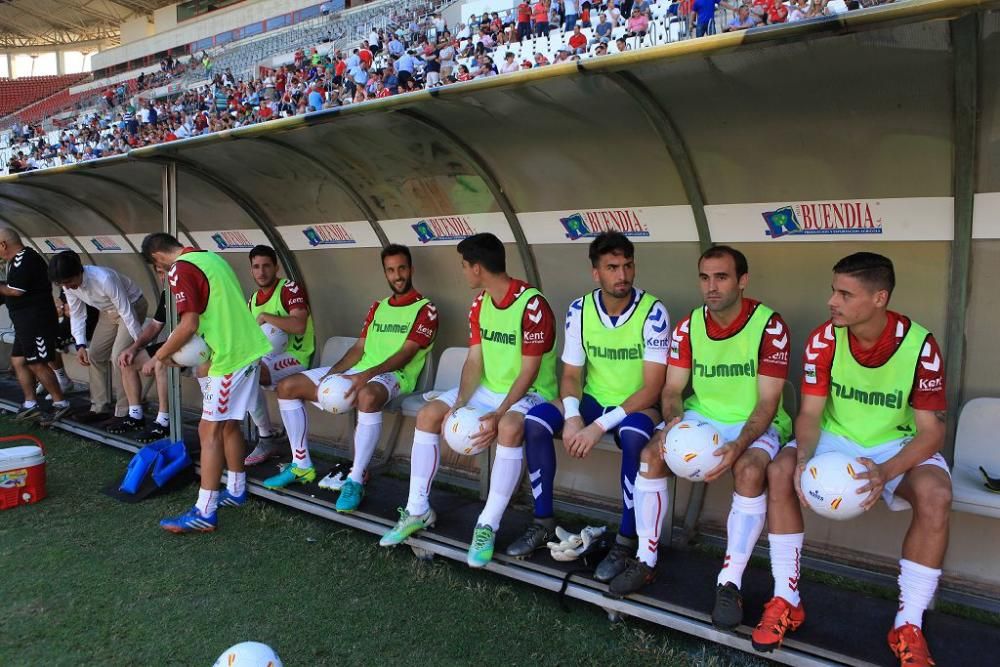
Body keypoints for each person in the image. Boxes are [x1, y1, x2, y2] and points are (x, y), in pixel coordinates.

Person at [751, 253, 950, 666]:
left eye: (845, 293)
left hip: (894, 445)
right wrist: (804, 456)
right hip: (836, 439)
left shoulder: (919, 345)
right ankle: (786, 599)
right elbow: (809, 414)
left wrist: (886, 472)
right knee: (782, 469)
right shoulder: (826, 338)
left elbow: (931, 432)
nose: (832, 301)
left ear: (880, 298)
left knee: (936, 495)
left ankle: (907, 624)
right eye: (833, 290)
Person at [379, 233, 557, 568]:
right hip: (489, 387)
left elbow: (530, 371)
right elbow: (475, 360)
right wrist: (459, 401)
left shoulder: (533, 305)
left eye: (464, 266)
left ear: (477, 267)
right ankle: (417, 510)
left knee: (507, 428)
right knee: (430, 414)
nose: (462, 273)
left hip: (531, 392)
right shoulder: (479, 303)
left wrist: (500, 412)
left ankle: (487, 524)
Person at [508, 232, 669, 597]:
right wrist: (572, 415)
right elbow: (570, 375)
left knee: (632, 437)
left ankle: (626, 542)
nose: (622, 275)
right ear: (596, 272)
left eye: (627, 265)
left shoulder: (653, 311)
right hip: (595, 400)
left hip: (638, 404)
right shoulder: (580, 309)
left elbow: (653, 386)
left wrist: (597, 426)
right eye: (612, 267)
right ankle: (544, 522)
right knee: (534, 422)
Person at [641, 246, 792, 616]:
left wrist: (740, 444)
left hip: (755, 421)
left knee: (750, 469)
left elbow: (768, 403)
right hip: (702, 415)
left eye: (722, 277)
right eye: (705, 277)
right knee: (651, 454)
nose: (712, 286)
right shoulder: (688, 326)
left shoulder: (769, 326)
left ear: (742, 281)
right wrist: (673, 425)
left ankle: (730, 581)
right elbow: (673, 390)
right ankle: (645, 559)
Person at [267, 245, 437, 514]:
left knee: (367, 396)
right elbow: (359, 349)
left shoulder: (425, 309)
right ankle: (301, 465)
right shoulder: (378, 307)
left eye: (402, 268)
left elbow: (406, 354)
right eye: (391, 270)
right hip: (361, 371)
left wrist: (364, 376)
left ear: (411, 269)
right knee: (288, 386)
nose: (398, 275)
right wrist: (332, 373)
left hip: (395, 376)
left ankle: (356, 478)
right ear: (385, 273)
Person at [141, 233, 270, 533]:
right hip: (246, 349)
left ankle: (205, 511)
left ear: (157, 258)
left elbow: (190, 323)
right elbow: (220, 313)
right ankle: (236, 490)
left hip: (233, 357)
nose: (163, 274)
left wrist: (160, 355)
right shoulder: (211, 257)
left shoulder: (180, 268)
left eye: (158, 268)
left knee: (208, 429)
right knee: (227, 425)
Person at [48, 251, 149, 434]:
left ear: (79, 272)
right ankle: (99, 407)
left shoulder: (104, 278)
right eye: (63, 284)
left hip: (132, 306)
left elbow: (126, 312)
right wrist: (80, 345)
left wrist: (137, 343)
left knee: (119, 356)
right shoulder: (68, 286)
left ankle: (124, 411)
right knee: (94, 354)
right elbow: (78, 314)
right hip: (107, 312)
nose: (68, 287)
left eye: (70, 281)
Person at [242, 246, 315, 465]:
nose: (261, 272)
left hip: (297, 356)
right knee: (244, 371)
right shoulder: (253, 299)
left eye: (266, 266)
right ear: (251, 270)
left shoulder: (288, 289)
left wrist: (266, 316)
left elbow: (299, 325)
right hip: (267, 358)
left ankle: (266, 438)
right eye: (256, 267)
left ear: (276, 267)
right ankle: (266, 436)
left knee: (250, 372)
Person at [0, 229, 72, 423]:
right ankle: (30, 404)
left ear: (3, 244)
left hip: (36, 320)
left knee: (36, 362)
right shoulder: (14, 261)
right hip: (24, 322)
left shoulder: (26, 258)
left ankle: (60, 403)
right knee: (18, 361)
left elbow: (16, 290)